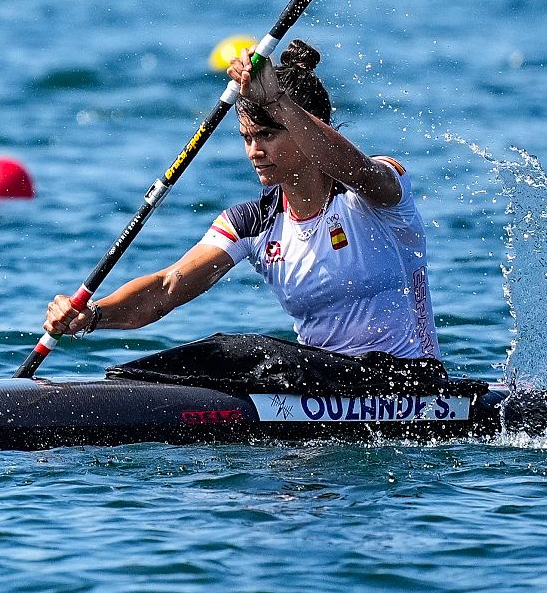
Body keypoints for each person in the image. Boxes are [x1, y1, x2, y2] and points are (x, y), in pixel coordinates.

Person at [43, 40, 440, 382]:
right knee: (222, 354)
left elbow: (357, 169)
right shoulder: (252, 223)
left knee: (245, 351)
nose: (254, 152)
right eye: (247, 137)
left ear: (306, 126)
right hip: (323, 381)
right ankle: (124, 386)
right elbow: (167, 288)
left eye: (267, 134)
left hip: (410, 381)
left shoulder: (374, 193)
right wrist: (91, 317)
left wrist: (280, 102)